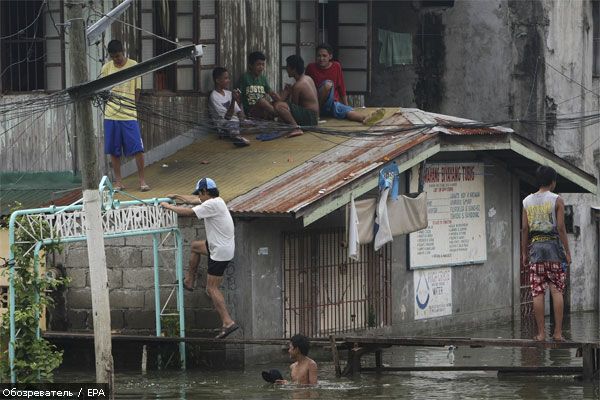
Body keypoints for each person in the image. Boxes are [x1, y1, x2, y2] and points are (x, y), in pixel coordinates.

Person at [160, 178, 239, 339]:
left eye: (200, 193)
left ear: (205, 192)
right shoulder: (216, 201)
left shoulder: (212, 204)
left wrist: (168, 206)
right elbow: (193, 200)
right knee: (195, 247)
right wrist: (177, 196)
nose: (199, 197)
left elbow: (189, 212)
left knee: (212, 288)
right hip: (217, 246)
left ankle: (228, 322)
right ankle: (189, 280)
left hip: (219, 252)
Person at [521, 165, 571, 342]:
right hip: (553, 250)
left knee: (537, 292)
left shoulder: (526, 201)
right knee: (557, 290)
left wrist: (524, 253)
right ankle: (557, 333)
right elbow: (561, 228)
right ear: (553, 182)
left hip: (535, 250)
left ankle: (541, 334)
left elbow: (525, 229)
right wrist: (567, 251)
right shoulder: (557, 200)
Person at [101, 39, 149, 192]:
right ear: (110, 56)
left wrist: (132, 107)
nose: (117, 59)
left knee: (138, 149)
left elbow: (137, 90)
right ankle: (119, 182)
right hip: (111, 115)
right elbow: (102, 92)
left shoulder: (134, 66)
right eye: (114, 57)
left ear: (123, 52)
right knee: (114, 151)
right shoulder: (106, 68)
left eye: (119, 56)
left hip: (129, 115)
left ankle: (142, 181)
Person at [306, 43, 382, 124]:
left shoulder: (336, 66)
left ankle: (366, 118)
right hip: (317, 104)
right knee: (327, 84)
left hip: (332, 104)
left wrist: (346, 106)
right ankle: (317, 113)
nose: (321, 58)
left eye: (324, 56)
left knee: (348, 112)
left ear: (330, 57)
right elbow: (306, 87)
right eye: (319, 56)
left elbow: (341, 87)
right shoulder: (311, 67)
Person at [272, 55, 319, 138]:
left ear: (294, 69)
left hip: (309, 118)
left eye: (288, 67)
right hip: (315, 117)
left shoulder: (298, 86)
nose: (286, 69)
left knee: (279, 106)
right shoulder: (308, 78)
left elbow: (294, 106)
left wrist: (287, 92)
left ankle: (296, 128)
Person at [209, 67, 250, 147]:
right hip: (224, 126)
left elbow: (238, 111)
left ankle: (238, 136)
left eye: (228, 78)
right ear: (217, 80)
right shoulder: (214, 96)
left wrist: (243, 120)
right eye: (226, 78)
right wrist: (233, 100)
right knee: (232, 127)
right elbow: (227, 117)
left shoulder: (228, 93)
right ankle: (238, 139)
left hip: (236, 122)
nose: (229, 81)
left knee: (254, 125)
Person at [238, 51, 281, 120]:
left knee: (277, 103)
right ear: (251, 65)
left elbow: (272, 93)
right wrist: (240, 113)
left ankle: (280, 114)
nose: (261, 67)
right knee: (261, 101)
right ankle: (279, 115)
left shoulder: (263, 78)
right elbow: (238, 97)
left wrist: (280, 102)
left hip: (264, 110)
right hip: (251, 112)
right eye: (258, 64)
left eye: (263, 64)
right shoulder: (245, 78)